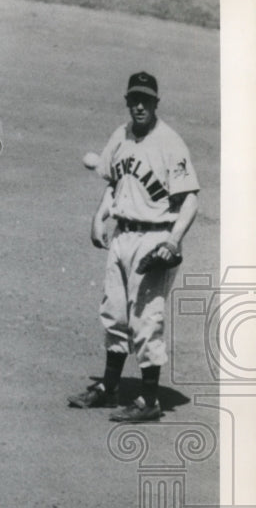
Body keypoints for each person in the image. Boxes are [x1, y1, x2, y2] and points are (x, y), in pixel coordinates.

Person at [68, 72, 200, 422]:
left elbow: (189, 201)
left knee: (145, 319)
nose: (139, 106)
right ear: (128, 102)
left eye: (146, 100)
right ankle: (109, 388)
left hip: (156, 239)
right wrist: (100, 218)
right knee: (114, 313)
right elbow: (114, 183)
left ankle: (150, 400)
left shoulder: (170, 143)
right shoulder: (121, 135)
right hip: (123, 235)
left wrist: (173, 241)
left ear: (157, 103)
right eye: (134, 99)